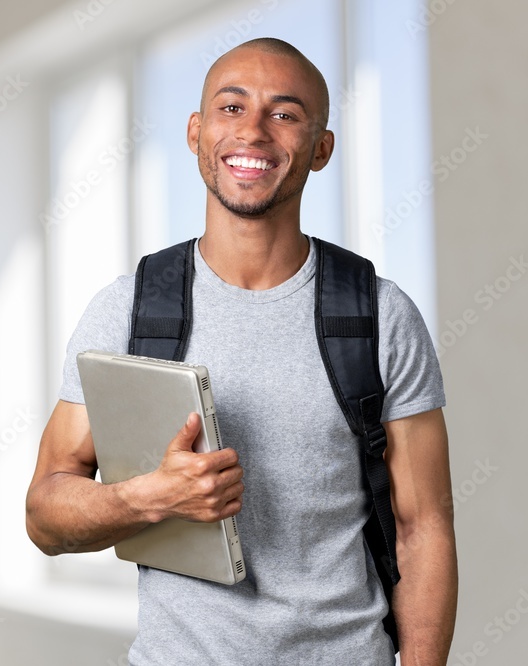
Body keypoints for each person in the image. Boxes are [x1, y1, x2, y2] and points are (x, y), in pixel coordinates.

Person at [25, 38, 457, 665]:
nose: (252, 131)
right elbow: (45, 517)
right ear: (197, 133)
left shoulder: (380, 314)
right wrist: (147, 498)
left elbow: (425, 529)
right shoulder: (128, 310)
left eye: (284, 114)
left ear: (321, 148)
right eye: (231, 108)